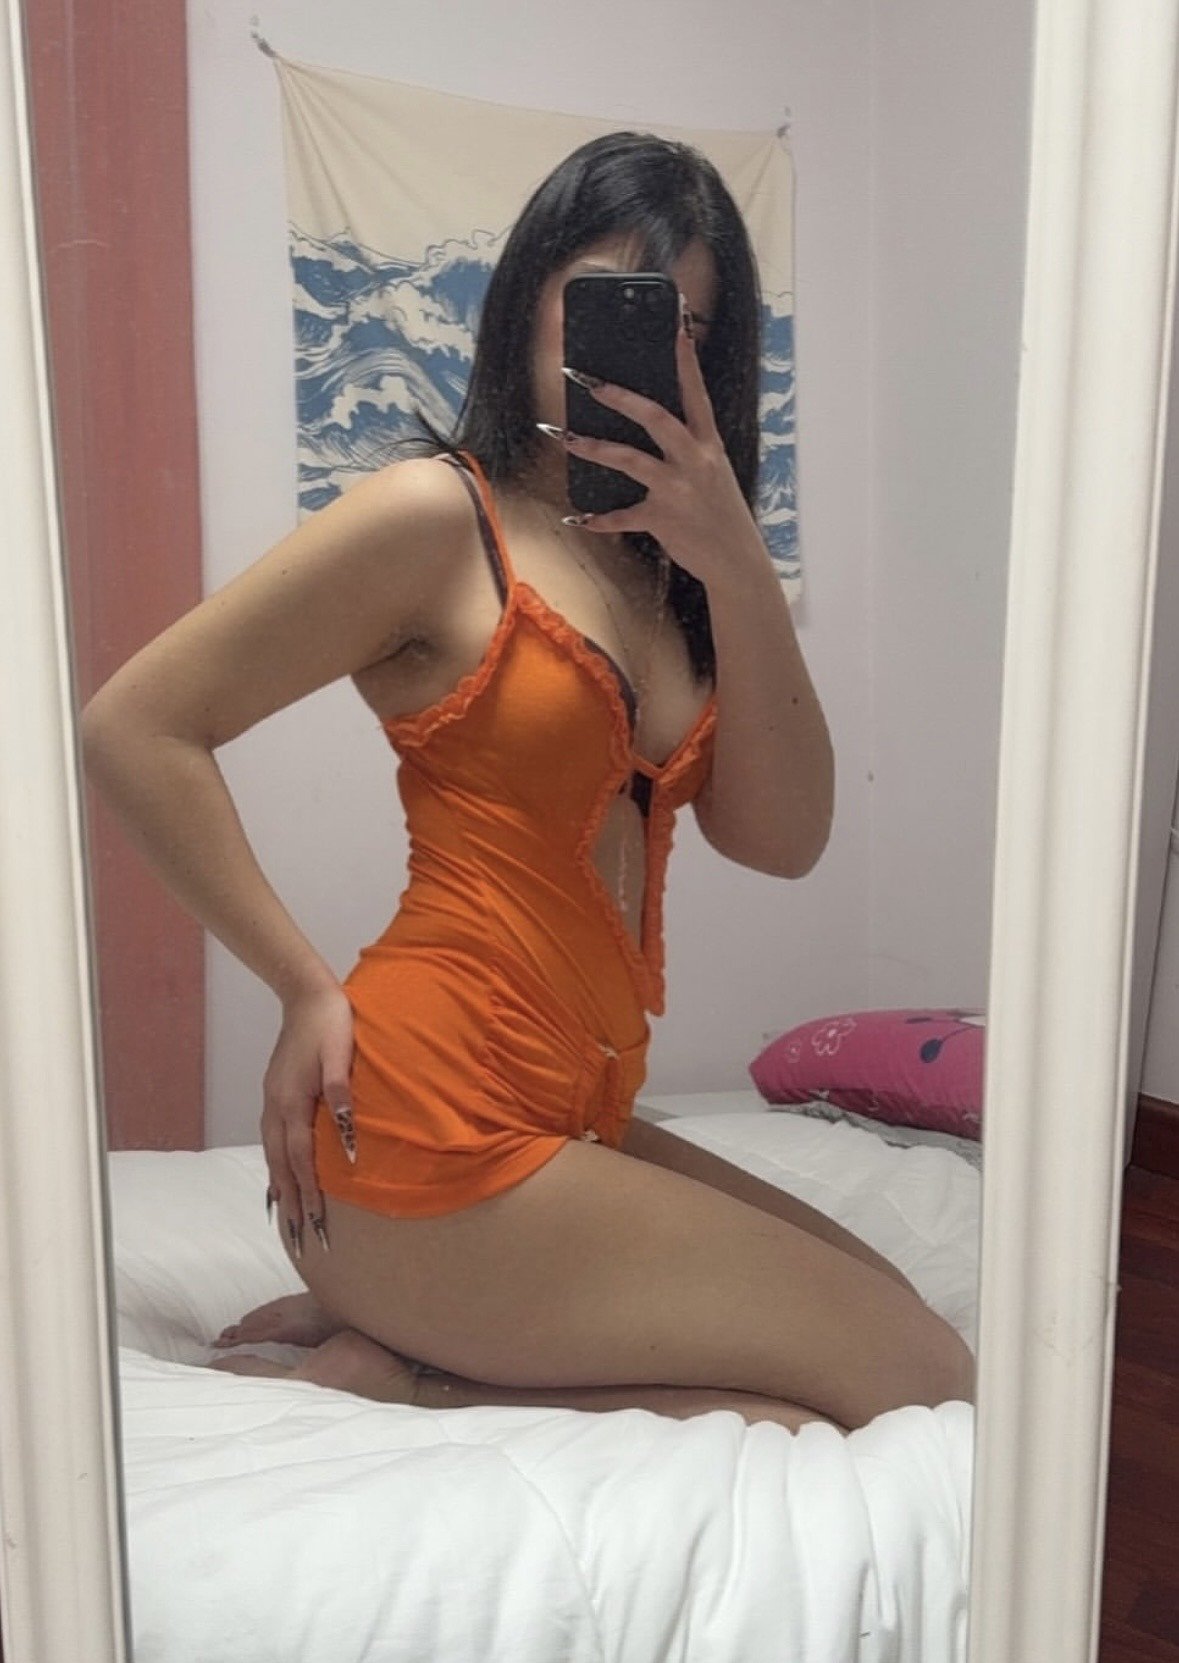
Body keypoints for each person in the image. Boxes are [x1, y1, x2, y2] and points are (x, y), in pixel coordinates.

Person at [83, 132, 973, 1433]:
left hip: (571, 1113)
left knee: (896, 1313)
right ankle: (415, 1365)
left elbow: (784, 839)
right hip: (421, 1121)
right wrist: (299, 985)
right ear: (529, 299)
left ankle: (411, 1331)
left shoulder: (675, 569)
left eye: (691, 328)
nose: (652, 353)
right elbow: (135, 726)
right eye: (615, 303)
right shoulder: (436, 517)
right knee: (919, 1379)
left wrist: (735, 553)